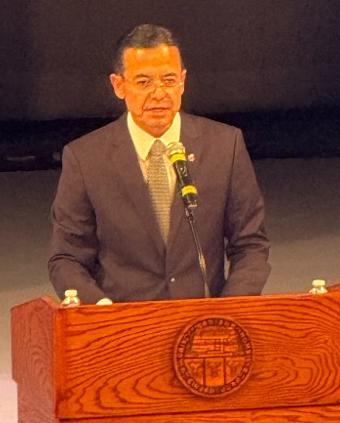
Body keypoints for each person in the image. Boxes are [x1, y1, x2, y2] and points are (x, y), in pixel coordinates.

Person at [48, 24, 270, 304]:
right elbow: (66, 258)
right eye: (144, 82)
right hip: (123, 322)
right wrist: (102, 313)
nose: (159, 93)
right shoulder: (85, 158)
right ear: (118, 85)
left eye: (169, 80)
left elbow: (250, 245)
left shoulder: (225, 146)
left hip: (204, 322)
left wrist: (227, 312)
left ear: (182, 81)